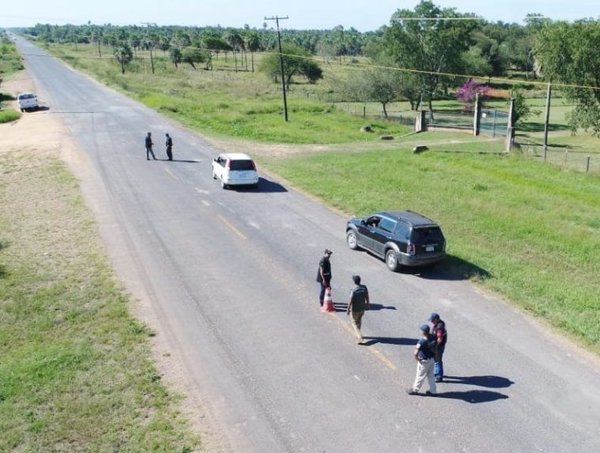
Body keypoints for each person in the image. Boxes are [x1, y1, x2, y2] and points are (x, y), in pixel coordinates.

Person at [407, 324, 437, 396]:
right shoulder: (432, 337)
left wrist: (417, 359)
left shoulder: (422, 341)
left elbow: (415, 353)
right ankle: (433, 391)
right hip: (431, 359)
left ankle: (415, 389)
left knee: (420, 375)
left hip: (424, 361)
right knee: (431, 376)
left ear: (423, 332)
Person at [346, 275, 370, 344]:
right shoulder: (364, 287)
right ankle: (358, 335)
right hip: (362, 308)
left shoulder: (353, 290)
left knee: (354, 323)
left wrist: (348, 309)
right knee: (359, 320)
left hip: (355, 309)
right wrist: (368, 304)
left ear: (354, 282)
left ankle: (360, 337)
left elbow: (350, 300)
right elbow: (367, 296)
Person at [429, 312, 448, 382]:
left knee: (437, 361)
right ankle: (438, 372)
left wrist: (435, 347)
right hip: (440, 346)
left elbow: (439, 339)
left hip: (438, 347)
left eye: (432, 320)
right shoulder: (440, 323)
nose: (431, 321)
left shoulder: (439, 327)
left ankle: (439, 376)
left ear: (436, 319)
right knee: (437, 360)